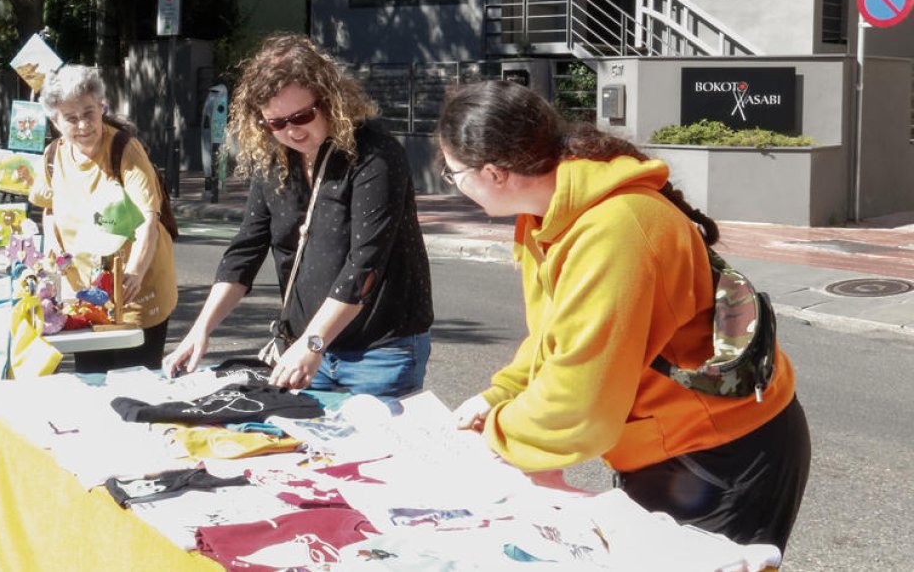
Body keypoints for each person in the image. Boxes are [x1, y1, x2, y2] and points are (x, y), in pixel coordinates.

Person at [438, 80, 810, 552]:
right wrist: (500, 395)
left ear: (494, 173)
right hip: (672, 448)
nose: (453, 184)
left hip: (718, 454)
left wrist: (495, 436)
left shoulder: (613, 230)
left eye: (453, 173)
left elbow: (582, 406)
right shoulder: (548, 216)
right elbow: (556, 337)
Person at [163, 33, 433, 400]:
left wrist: (313, 343)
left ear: (330, 100)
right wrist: (201, 329)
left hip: (378, 350)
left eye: (302, 116)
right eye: (274, 123)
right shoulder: (275, 159)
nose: (291, 131)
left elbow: (365, 265)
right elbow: (246, 250)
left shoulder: (375, 155)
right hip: (307, 347)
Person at [29, 65, 178, 373]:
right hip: (87, 293)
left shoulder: (125, 149)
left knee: (135, 384)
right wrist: (53, 251)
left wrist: (134, 273)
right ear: (55, 122)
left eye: (89, 113)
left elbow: (149, 220)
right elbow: (49, 209)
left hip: (138, 288)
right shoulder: (52, 157)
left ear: (102, 108)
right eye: (71, 118)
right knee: (91, 377)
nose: (83, 125)